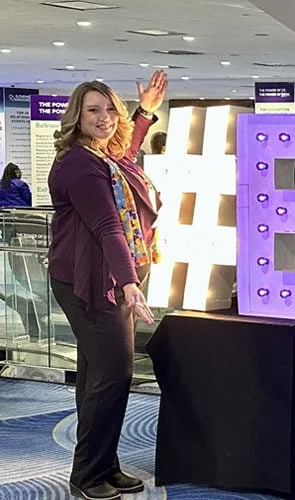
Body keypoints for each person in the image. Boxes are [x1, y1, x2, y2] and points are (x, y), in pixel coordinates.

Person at [47, 71, 166, 500]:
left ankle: (104, 465)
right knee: (113, 375)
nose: (104, 118)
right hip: (93, 283)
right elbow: (107, 226)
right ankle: (88, 475)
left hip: (106, 280)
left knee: (98, 376)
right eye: (93, 111)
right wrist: (130, 282)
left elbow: (127, 156)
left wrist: (143, 114)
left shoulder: (104, 158)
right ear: (76, 117)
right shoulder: (80, 164)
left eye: (109, 110)